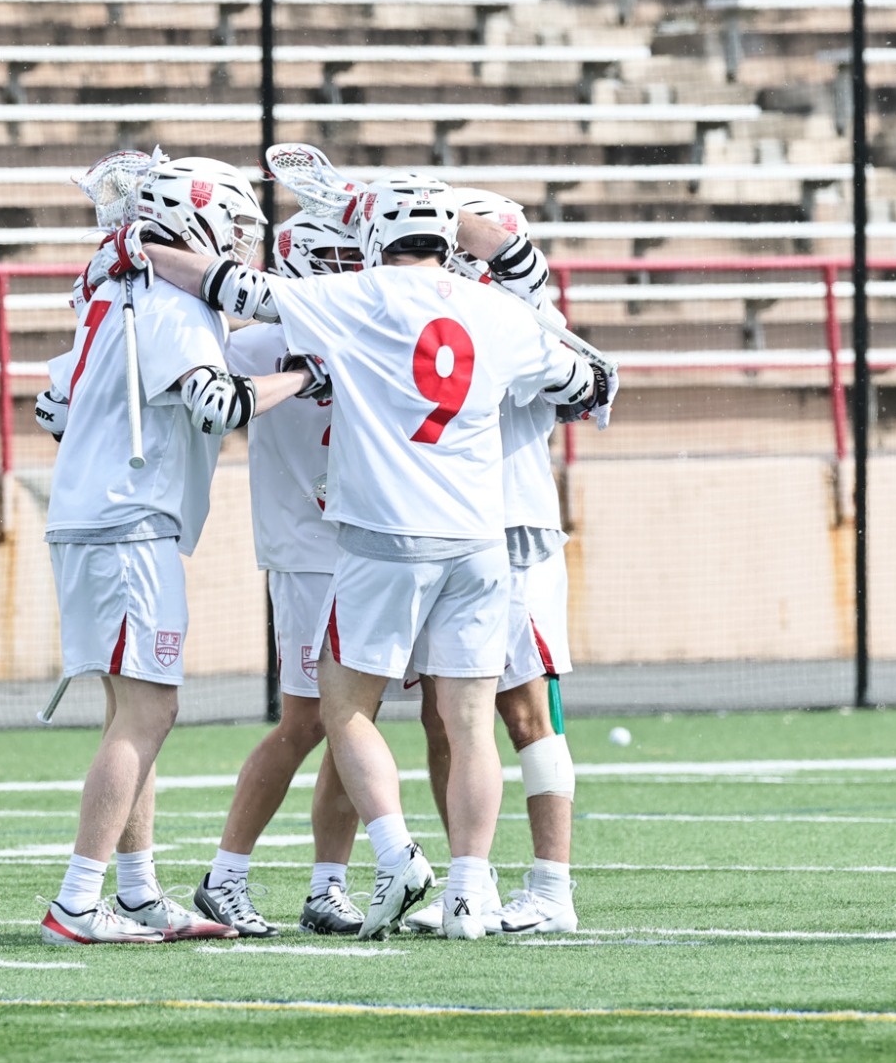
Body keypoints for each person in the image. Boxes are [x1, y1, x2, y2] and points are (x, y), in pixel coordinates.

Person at [97, 174, 612, 939]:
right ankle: (465, 889)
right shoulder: (499, 313)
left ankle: (401, 854)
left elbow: (231, 286)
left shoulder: (357, 300)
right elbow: (588, 381)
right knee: (463, 720)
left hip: (386, 536)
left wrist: (140, 248)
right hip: (474, 539)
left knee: (346, 711)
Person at [33, 156, 313, 945]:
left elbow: (55, 409)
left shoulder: (114, 293)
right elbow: (216, 404)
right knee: (151, 709)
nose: (239, 240)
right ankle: (76, 902)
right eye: (232, 224)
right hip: (127, 524)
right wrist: (302, 376)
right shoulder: (172, 304)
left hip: (97, 518)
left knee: (132, 709)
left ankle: (136, 890)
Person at [403, 189, 592, 936]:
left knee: (526, 712)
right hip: (447, 527)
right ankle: (470, 882)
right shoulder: (456, 314)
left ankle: (551, 886)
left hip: (513, 528)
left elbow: (586, 385)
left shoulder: (525, 317)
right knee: (443, 716)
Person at [193, 215, 368, 939]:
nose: (352, 267)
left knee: (358, 721)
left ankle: (329, 886)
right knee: (307, 722)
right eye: (336, 255)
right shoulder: (258, 343)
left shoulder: (370, 324)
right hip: (306, 550)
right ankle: (225, 875)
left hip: (371, 545)